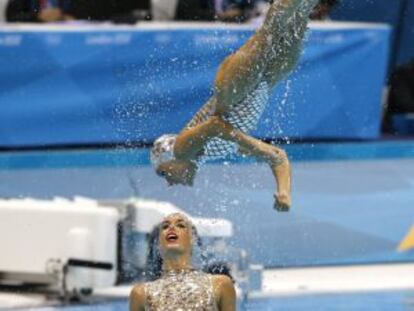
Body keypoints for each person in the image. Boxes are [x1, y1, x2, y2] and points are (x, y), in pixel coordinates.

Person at [150, 0, 320, 212]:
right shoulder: (216, 152)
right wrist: (284, 192)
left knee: (271, 30)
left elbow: (215, 125)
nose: (169, 182)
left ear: (170, 161)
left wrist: (252, 144)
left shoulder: (181, 149)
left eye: (163, 173)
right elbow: (278, 157)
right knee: (299, 22)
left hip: (230, 92)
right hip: (264, 86)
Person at [129, 213, 236, 311]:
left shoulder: (220, 285)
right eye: (165, 226)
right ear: (158, 243)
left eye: (181, 225)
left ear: (193, 239)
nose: (171, 227)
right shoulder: (140, 294)